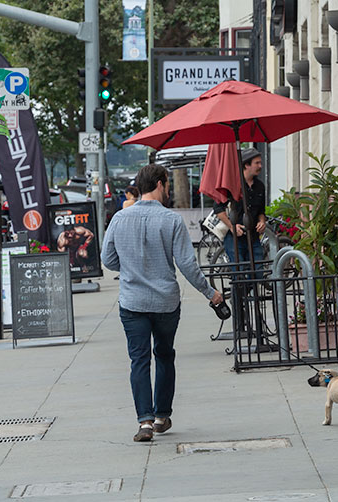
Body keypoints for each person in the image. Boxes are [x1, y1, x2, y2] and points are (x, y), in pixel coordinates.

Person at [101, 163, 223, 442]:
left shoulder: (119, 218)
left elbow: (107, 259)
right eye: (167, 184)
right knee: (165, 355)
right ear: (159, 184)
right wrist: (210, 293)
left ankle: (144, 422)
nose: (168, 189)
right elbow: (187, 264)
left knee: (139, 359)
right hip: (165, 301)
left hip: (132, 302)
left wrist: (130, 269)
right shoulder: (171, 220)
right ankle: (161, 416)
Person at [213, 147, 267, 268]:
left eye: (260, 162)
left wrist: (262, 221)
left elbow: (261, 211)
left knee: (258, 271)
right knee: (239, 273)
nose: (260, 166)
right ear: (246, 165)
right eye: (257, 163)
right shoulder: (232, 185)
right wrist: (231, 226)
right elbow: (218, 209)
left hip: (253, 236)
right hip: (234, 238)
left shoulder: (260, 186)